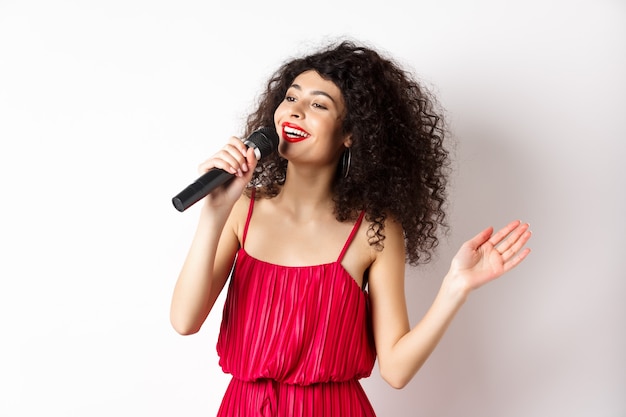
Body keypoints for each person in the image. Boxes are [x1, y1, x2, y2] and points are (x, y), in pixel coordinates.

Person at [170, 40, 532, 416]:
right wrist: (213, 214)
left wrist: (455, 288)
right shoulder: (240, 209)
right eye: (291, 98)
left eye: (318, 105)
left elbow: (394, 370)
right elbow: (184, 320)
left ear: (351, 134)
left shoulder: (375, 229)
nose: (295, 113)